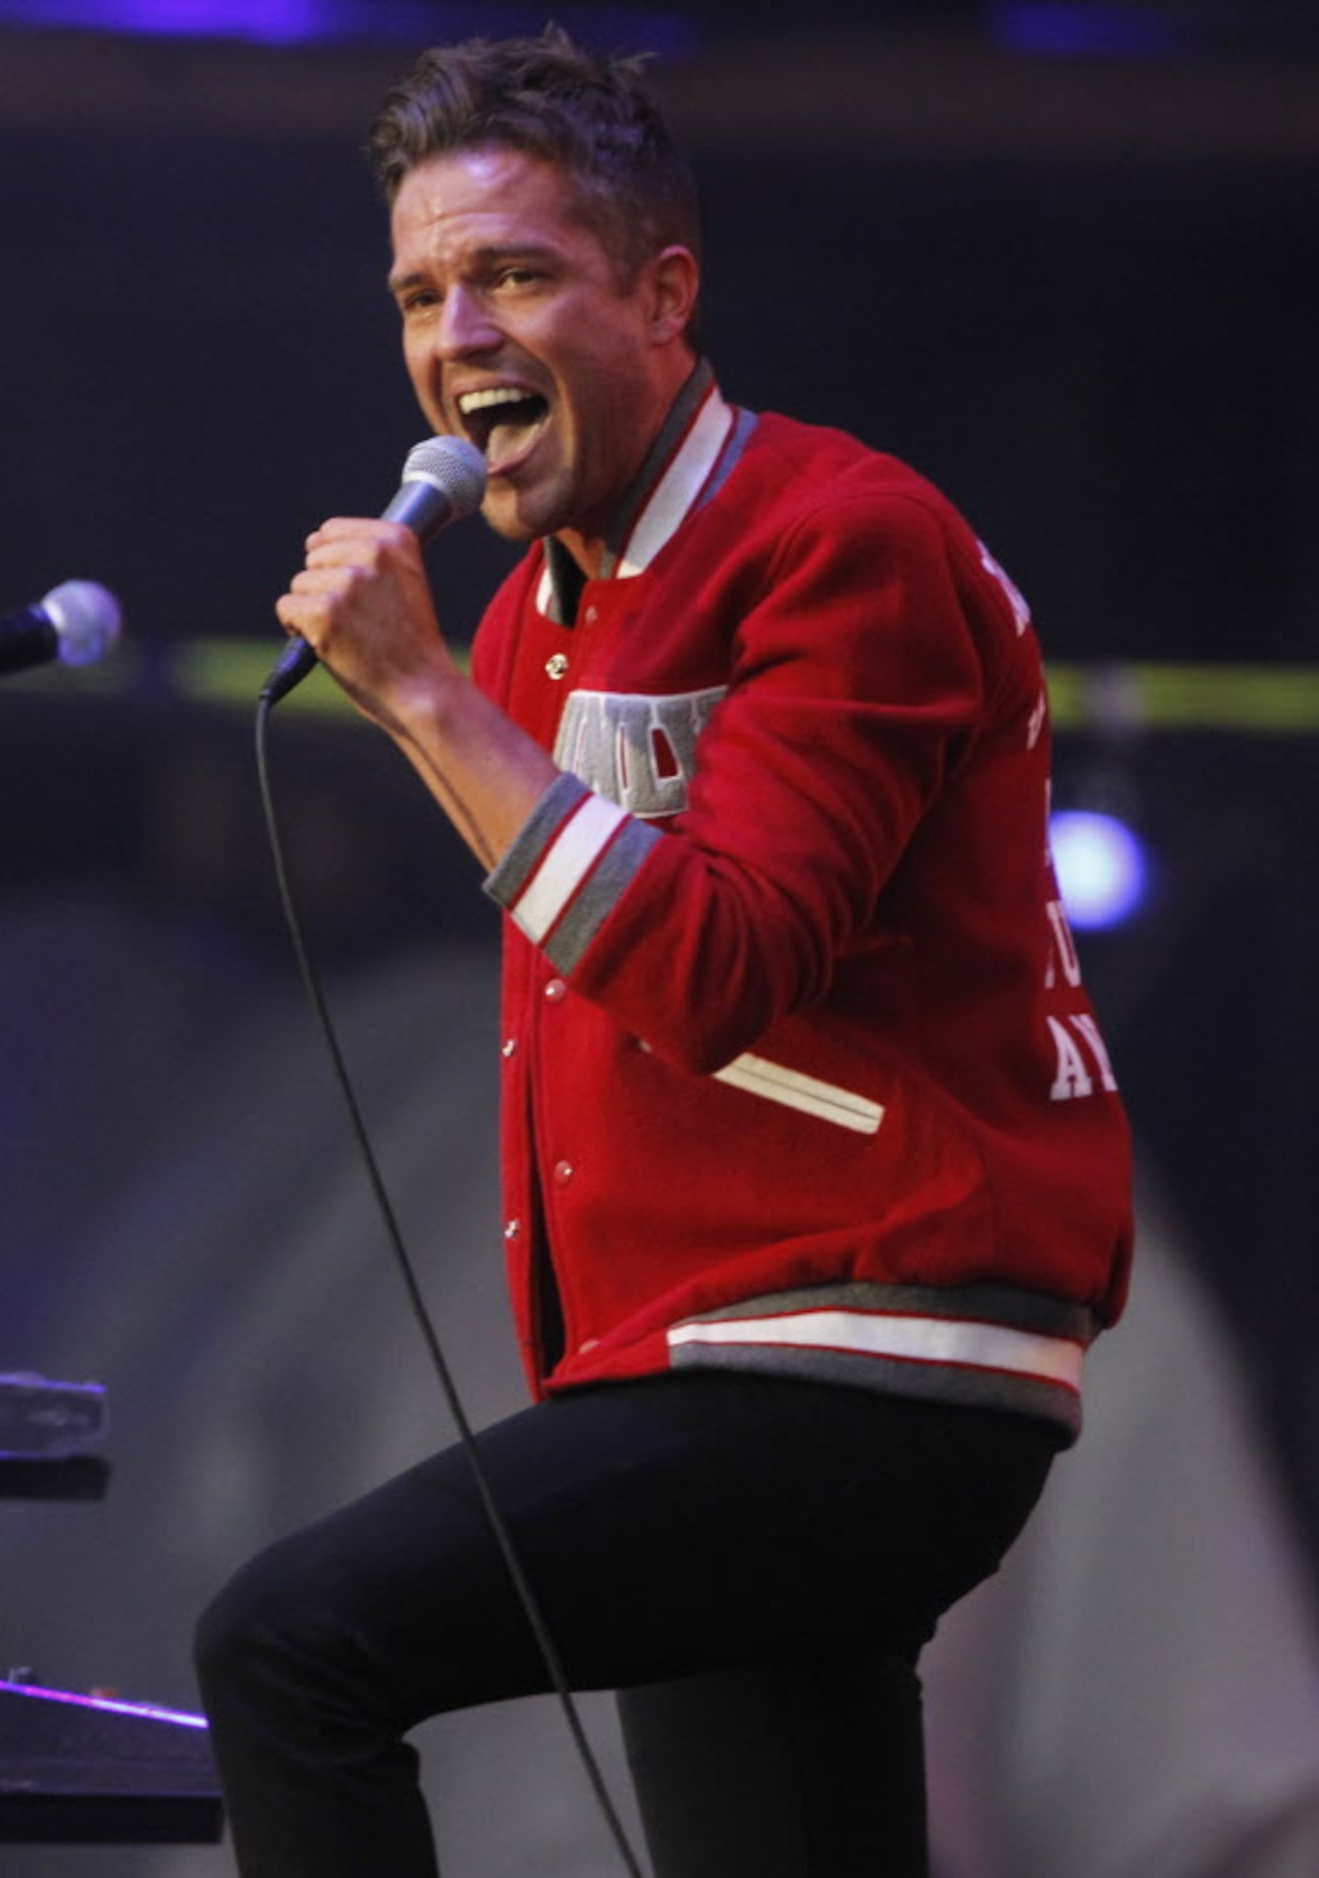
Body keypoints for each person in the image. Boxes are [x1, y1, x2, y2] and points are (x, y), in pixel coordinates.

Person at [193, 30, 1133, 1878]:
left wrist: (422, 699)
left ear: (664, 294)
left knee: (292, 1645)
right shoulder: (540, 617)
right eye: (420, 291)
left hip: (856, 1350)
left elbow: (719, 971)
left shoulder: (841, 540)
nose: (458, 331)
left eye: (516, 274)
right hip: (701, 1356)